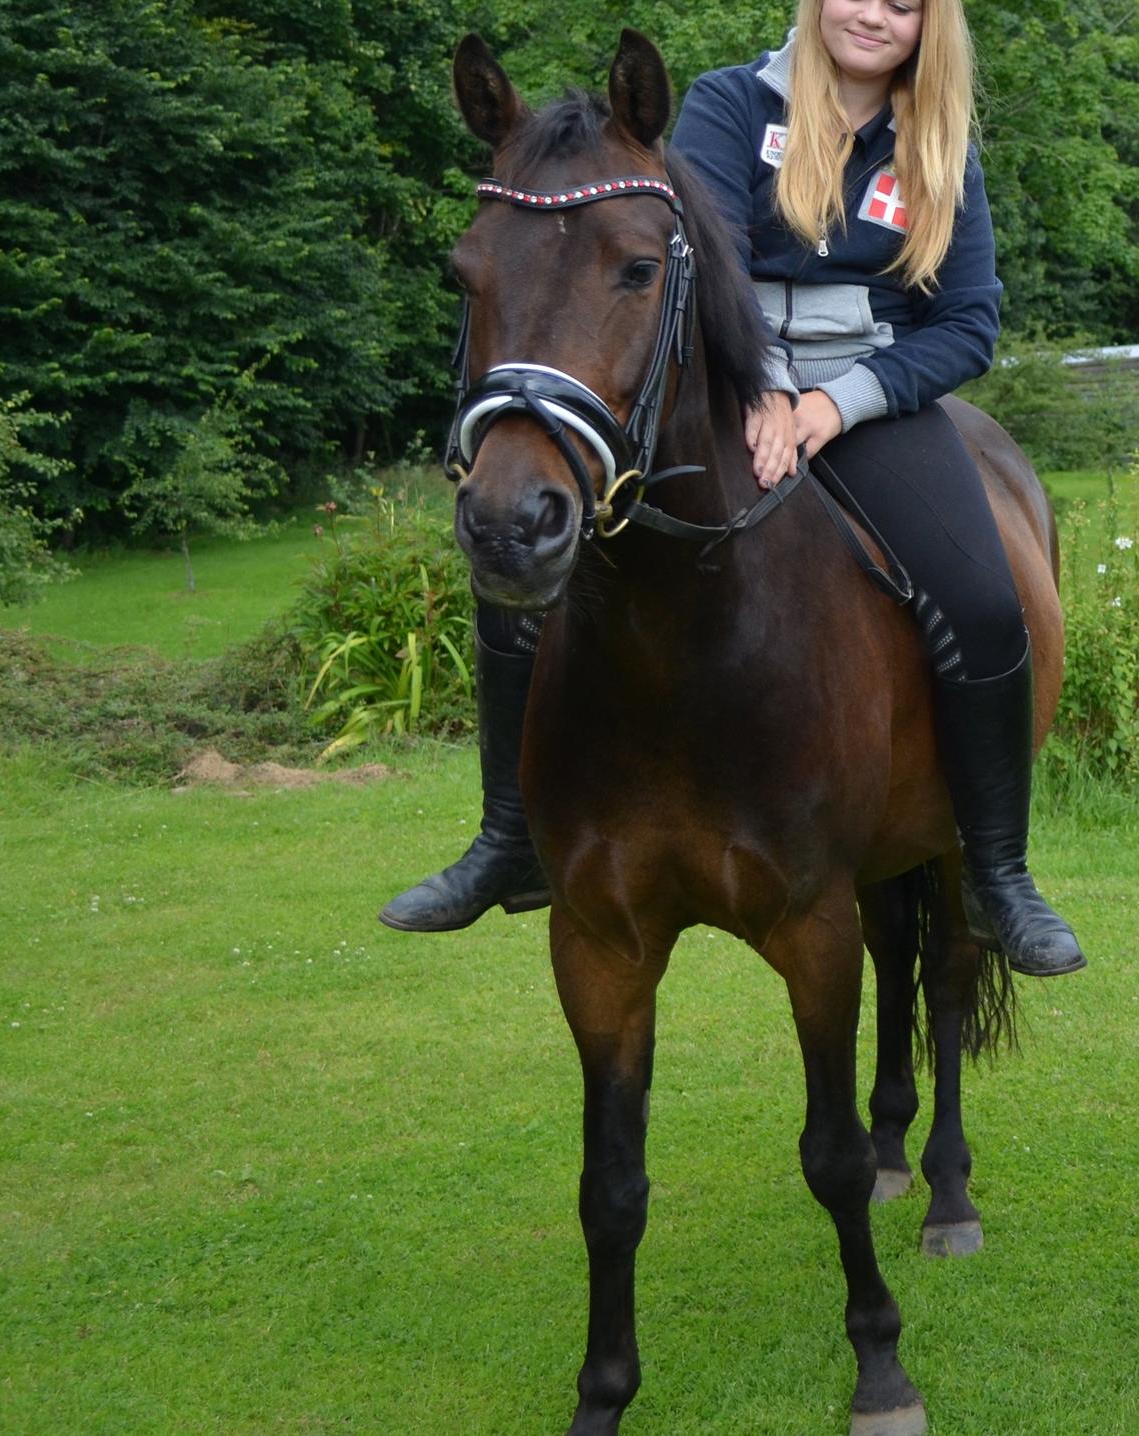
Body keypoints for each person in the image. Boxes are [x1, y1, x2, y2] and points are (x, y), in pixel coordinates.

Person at [380, 0, 1086, 979]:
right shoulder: (730, 105)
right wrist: (771, 388)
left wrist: (833, 405)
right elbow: (702, 267)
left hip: (875, 406)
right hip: (732, 395)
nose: (871, 13)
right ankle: (508, 837)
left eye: (904, 2)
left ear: (933, 25)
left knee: (982, 599)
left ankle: (999, 872)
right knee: (527, 563)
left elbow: (966, 324)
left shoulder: (940, 144)